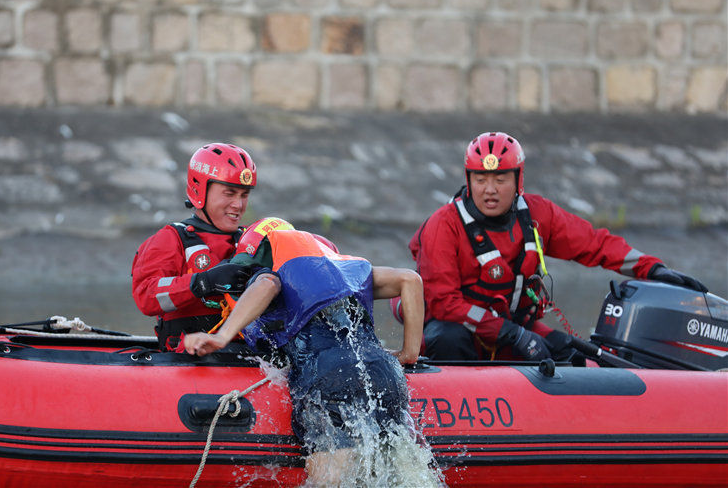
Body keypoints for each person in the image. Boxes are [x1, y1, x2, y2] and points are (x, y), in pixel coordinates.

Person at [407, 131, 708, 362]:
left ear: (518, 180)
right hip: (460, 332)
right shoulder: (443, 225)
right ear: (469, 180)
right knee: (448, 337)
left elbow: (594, 243)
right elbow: (444, 304)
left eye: (500, 179)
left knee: (573, 355)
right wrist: (514, 335)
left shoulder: (537, 214)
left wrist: (652, 269)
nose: (489, 190)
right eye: (481, 179)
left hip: (513, 330)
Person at [182, 218, 436, 487]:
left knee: (328, 480)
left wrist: (221, 336)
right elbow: (410, 279)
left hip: (328, 375)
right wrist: (409, 352)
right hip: (385, 373)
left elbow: (266, 285)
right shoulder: (345, 271)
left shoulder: (272, 269)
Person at [131, 142, 258, 350]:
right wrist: (203, 282)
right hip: (189, 356)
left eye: (244, 195)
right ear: (201, 191)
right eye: (229, 193)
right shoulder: (171, 239)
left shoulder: (253, 239)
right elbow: (146, 296)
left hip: (247, 354)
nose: (238, 205)